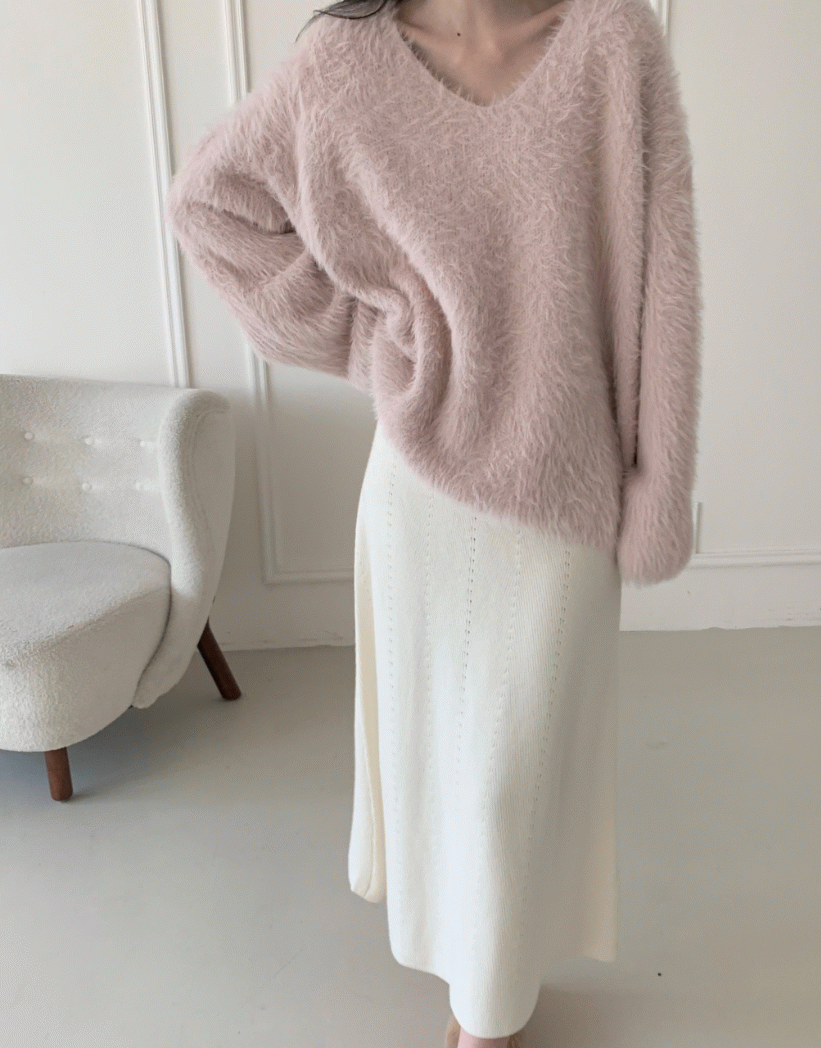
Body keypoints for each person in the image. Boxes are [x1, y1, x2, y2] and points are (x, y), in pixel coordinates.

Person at [164, 0, 702, 1045]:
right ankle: (480, 984)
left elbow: (666, 287)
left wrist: (658, 482)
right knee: (447, 765)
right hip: (419, 495)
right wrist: (373, 343)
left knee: (509, 778)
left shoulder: (612, 40)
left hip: (564, 491)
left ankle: (488, 1011)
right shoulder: (343, 62)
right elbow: (210, 204)